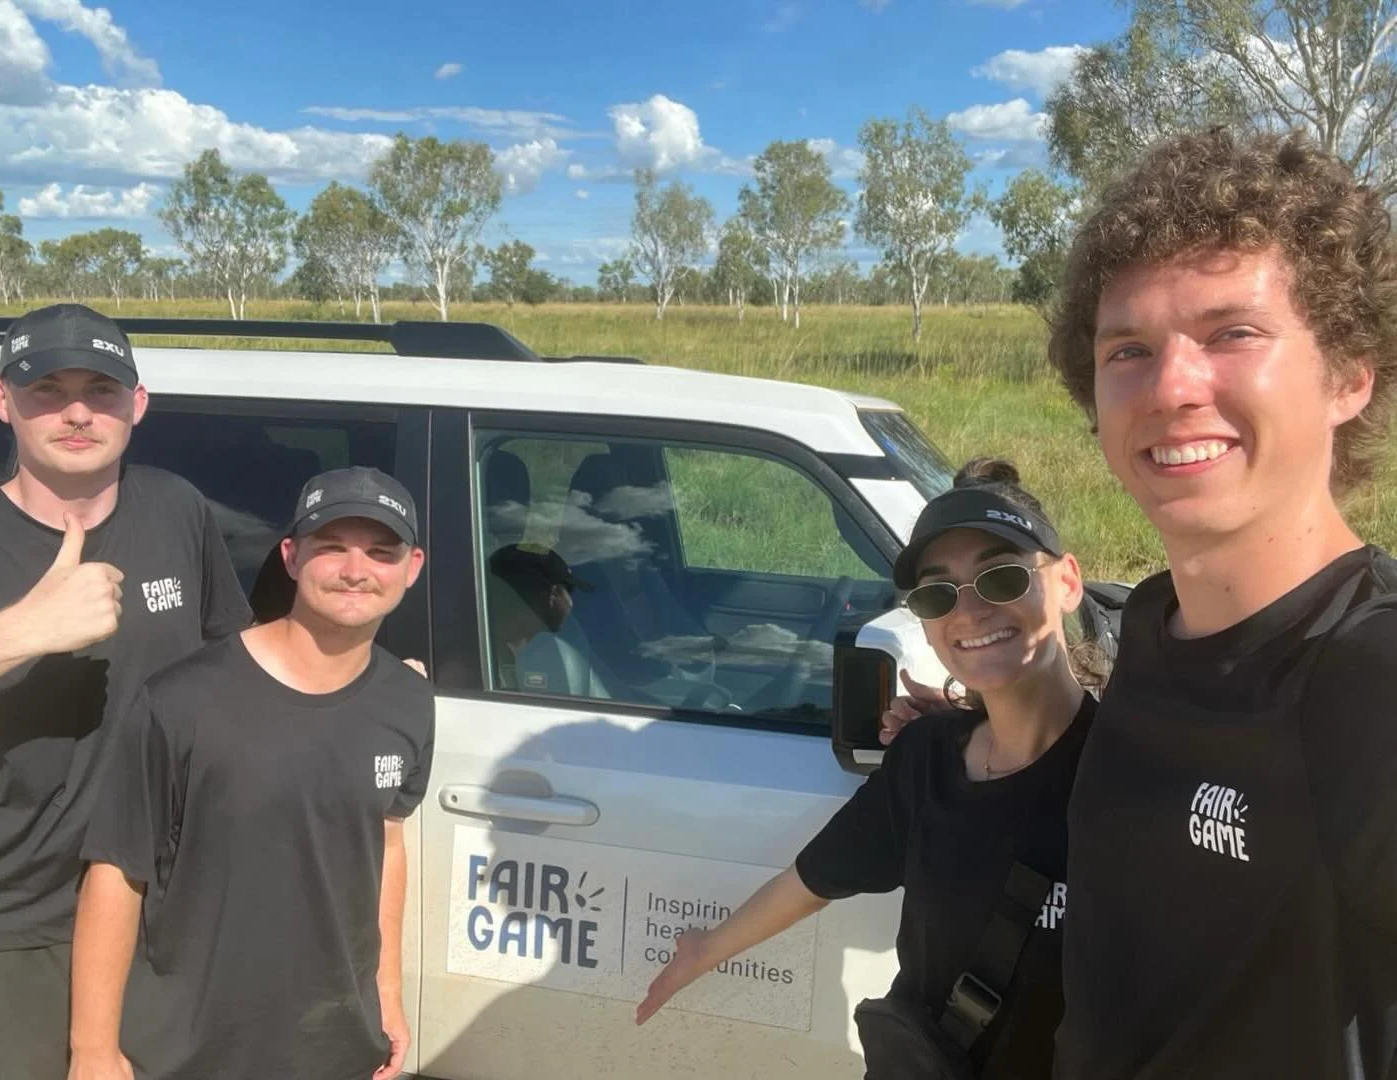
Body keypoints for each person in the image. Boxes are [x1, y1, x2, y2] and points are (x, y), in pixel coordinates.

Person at [1046, 128, 1397, 1079]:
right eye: (1129, 349)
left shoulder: (1369, 675)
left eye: (1232, 332)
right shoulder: (1153, 630)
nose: (1171, 387)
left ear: (1350, 375)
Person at [636, 458, 1102, 1079]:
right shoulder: (927, 757)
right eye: (938, 593)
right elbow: (816, 878)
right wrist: (705, 948)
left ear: (1068, 582)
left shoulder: (1130, 773)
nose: (968, 613)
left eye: (1001, 578)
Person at [0, 303, 251, 1079]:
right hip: (8, 926)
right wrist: (23, 630)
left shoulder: (175, 509)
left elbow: (232, 666)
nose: (78, 411)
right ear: (0, 401)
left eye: (102, 389)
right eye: (48, 389)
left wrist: (365, 672)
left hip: (160, 908)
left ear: (137, 404)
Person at [68, 465, 435, 1080]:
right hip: (189, 1048)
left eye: (380, 552)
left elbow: (388, 842)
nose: (355, 570)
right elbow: (115, 871)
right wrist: (94, 1051)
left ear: (412, 567)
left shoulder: (410, 700)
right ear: (290, 557)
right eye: (331, 548)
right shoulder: (184, 699)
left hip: (333, 1043)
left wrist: (387, 996)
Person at [486, 541, 591, 689]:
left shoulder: (490, 656)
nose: (571, 603)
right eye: (569, 589)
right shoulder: (473, 665)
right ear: (553, 594)